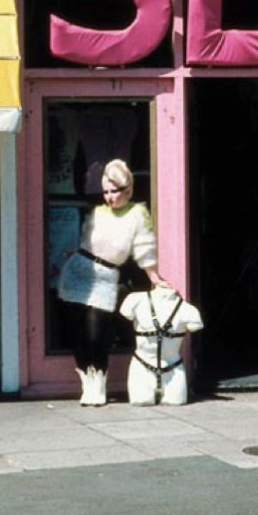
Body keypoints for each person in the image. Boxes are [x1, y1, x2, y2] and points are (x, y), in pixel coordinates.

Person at [58, 159, 166, 406]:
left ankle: (100, 385)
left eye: (114, 191)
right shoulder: (97, 212)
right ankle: (89, 386)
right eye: (105, 192)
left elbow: (144, 246)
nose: (109, 197)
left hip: (105, 277)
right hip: (77, 270)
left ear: (127, 190)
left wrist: (153, 276)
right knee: (78, 334)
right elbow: (86, 239)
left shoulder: (138, 213)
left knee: (96, 335)